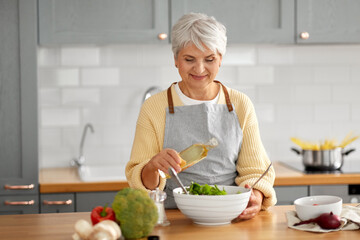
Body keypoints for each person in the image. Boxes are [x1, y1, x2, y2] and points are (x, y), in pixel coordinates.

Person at [126, 12, 276, 220]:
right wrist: (152, 166)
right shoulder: (154, 107)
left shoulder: (241, 104)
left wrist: (256, 195)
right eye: (189, 59)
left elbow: (255, 170)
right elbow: (141, 181)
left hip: (231, 217)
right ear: (176, 59)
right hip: (174, 218)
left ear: (220, 59)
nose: (199, 68)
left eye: (209, 59)